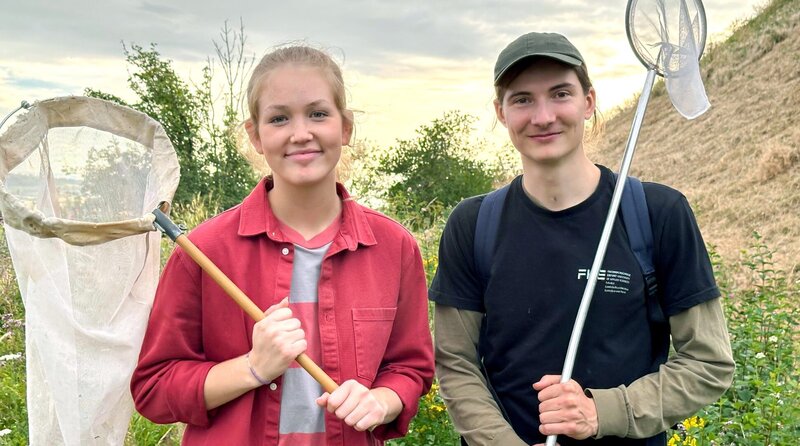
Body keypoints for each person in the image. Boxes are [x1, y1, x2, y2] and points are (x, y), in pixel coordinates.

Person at [429, 32, 734, 446]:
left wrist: (602, 412)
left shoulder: (658, 214)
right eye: (522, 99)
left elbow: (708, 361)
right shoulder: (473, 224)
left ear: (588, 101)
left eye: (560, 93)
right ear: (500, 112)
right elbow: (456, 363)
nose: (543, 116)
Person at [131, 45, 434, 445]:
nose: (301, 133)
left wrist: (382, 400)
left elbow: (411, 368)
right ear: (255, 136)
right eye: (279, 118)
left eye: (318, 113)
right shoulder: (204, 251)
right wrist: (253, 367)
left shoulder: (394, 247)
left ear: (346, 127)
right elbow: (154, 389)